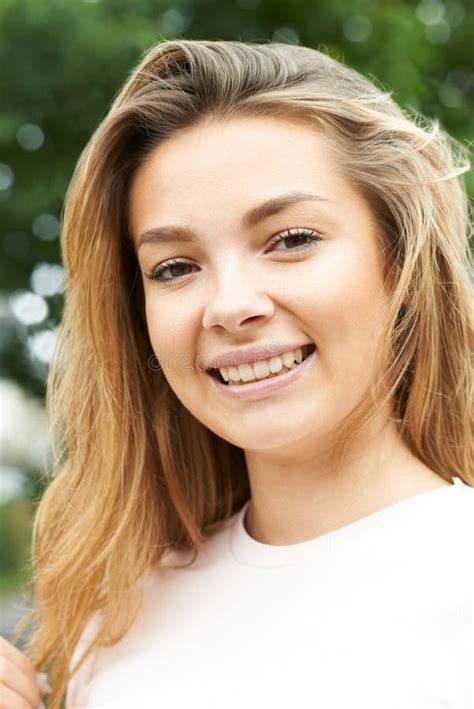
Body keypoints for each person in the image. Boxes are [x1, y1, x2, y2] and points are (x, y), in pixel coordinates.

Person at [1, 38, 473, 709]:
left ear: (398, 260)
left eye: (291, 239)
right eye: (175, 267)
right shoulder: (120, 615)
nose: (229, 306)